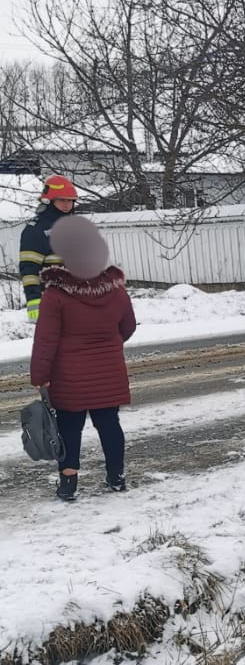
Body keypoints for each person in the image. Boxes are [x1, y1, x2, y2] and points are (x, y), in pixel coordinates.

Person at [29, 213, 136, 501]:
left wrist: (40, 376)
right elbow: (128, 327)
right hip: (109, 372)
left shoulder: (56, 295)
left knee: (68, 429)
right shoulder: (117, 291)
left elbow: (46, 341)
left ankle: (68, 485)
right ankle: (116, 478)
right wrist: (108, 346)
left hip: (69, 377)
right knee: (109, 425)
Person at [18, 174, 76, 322]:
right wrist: (33, 300)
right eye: (61, 200)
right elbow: (29, 268)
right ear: (49, 201)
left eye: (70, 200)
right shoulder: (36, 230)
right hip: (51, 303)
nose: (66, 204)